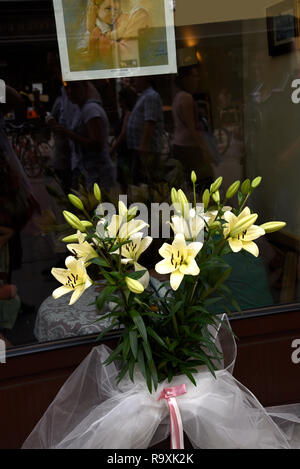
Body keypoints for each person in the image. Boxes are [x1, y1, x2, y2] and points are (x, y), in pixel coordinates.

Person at [51, 80, 116, 190]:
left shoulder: (90, 110)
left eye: (75, 87)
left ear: (84, 87)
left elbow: (97, 144)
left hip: (97, 173)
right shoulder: (82, 109)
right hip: (88, 171)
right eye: (67, 87)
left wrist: (67, 133)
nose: (70, 91)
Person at [172, 66, 214, 191]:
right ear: (186, 79)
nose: (198, 79)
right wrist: (205, 149)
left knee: (191, 185)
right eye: (194, 76)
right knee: (203, 184)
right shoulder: (186, 97)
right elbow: (191, 128)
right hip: (189, 148)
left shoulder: (179, 96)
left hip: (180, 146)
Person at [126, 76, 164, 184]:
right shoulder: (144, 95)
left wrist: (143, 145)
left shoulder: (151, 96)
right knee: (140, 182)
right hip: (141, 150)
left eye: (136, 78)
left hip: (147, 151)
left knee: (147, 182)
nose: (133, 81)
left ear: (144, 79)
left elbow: (150, 122)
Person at [110, 86, 138, 189]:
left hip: (126, 152)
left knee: (126, 182)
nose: (119, 103)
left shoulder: (128, 114)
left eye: (120, 100)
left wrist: (113, 149)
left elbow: (123, 133)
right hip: (124, 152)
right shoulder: (126, 114)